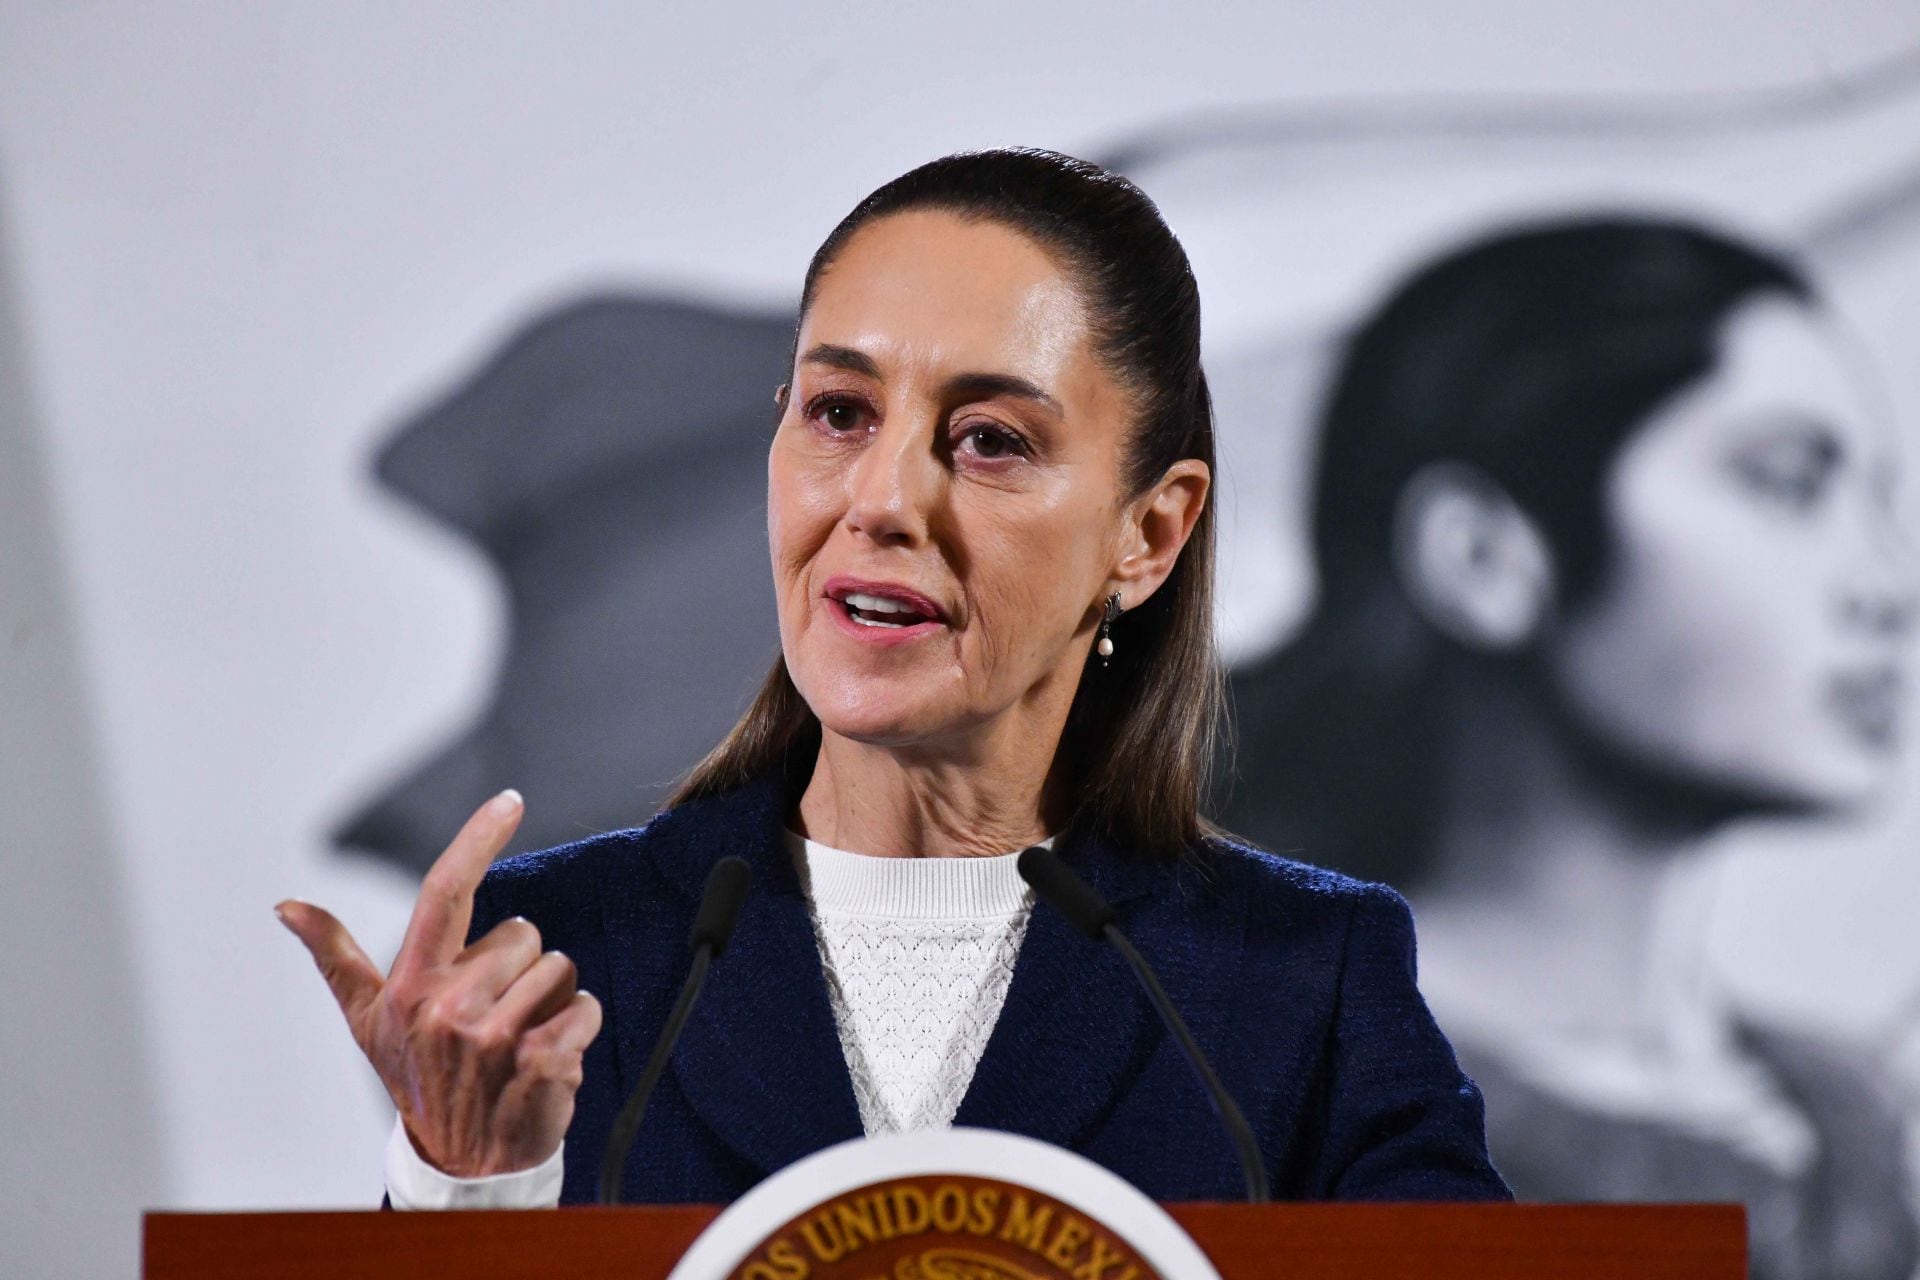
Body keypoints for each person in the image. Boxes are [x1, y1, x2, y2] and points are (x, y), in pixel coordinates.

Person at [277, 149, 1509, 1207]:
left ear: (1149, 533)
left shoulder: (1297, 977)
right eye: (838, 413)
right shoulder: (560, 962)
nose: (881, 500)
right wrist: (466, 1181)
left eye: (990, 440)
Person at [1224, 217, 1916, 1278]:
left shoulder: (1850, 1112)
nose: (1888, 587)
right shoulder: (1256, 1086)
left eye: (1878, 505)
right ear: (1483, 555)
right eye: (1787, 481)